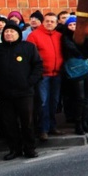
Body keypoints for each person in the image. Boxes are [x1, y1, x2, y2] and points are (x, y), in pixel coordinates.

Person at [0, 21, 43, 159]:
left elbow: (38, 66)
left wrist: (30, 82)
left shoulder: (29, 47)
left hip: (25, 93)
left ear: (18, 34)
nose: (9, 34)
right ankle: (14, 149)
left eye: (12, 32)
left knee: (27, 122)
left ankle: (30, 148)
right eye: (6, 32)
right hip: (4, 93)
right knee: (9, 123)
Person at [26, 12, 64, 140]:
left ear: (56, 23)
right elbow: (30, 57)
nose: (49, 23)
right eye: (47, 21)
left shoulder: (59, 36)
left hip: (57, 74)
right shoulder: (34, 36)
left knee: (54, 102)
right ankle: (43, 129)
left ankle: (52, 126)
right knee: (42, 103)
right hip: (43, 75)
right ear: (43, 22)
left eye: (52, 21)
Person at [61, 16, 88, 135]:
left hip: (86, 67)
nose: (73, 27)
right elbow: (74, 50)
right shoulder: (66, 38)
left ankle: (85, 122)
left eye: (75, 25)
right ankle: (78, 124)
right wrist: (83, 53)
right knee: (79, 98)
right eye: (70, 25)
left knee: (87, 97)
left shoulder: (84, 36)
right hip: (75, 68)